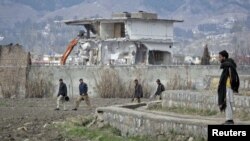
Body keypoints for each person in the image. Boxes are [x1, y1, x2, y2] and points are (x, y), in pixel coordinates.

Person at [218, 50, 240, 125]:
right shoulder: (228, 65)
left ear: (224, 57)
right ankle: (229, 119)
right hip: (227, 87)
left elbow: (232, 76)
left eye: (220, 57)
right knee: (227, 103)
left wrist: (232, 86)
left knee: (227, 103)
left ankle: (229, 120)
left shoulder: (228, 65)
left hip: (228, 87)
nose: (219, 58)